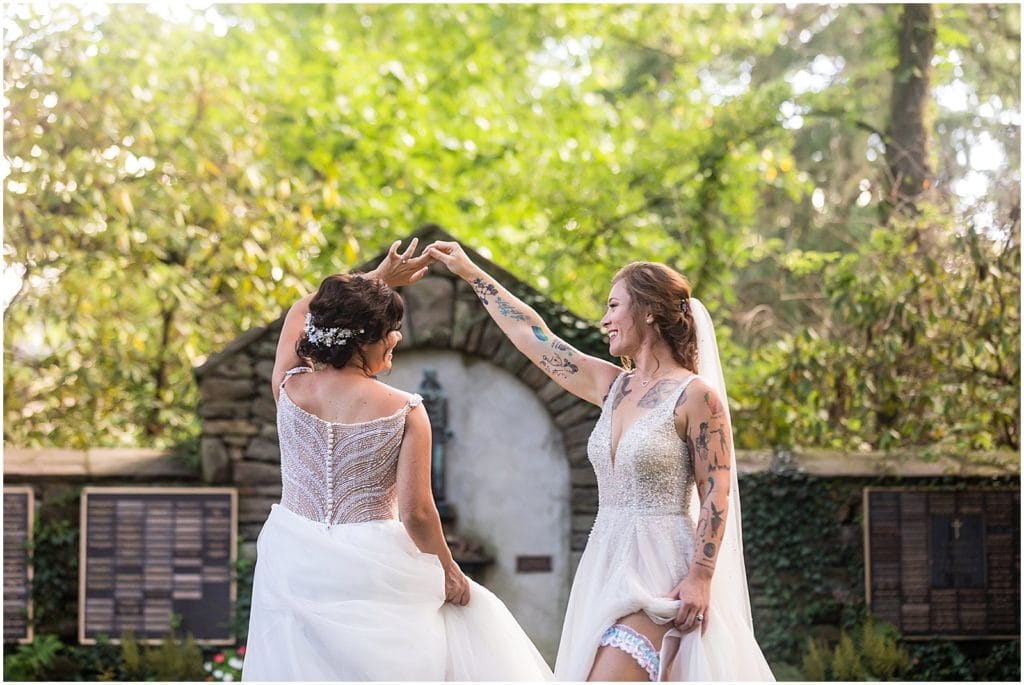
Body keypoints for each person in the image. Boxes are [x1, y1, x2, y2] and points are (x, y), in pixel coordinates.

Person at [426, 240, 774, 681]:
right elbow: (533, 337)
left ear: (648, 310)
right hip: (604, 561)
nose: (605, 320)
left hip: (662, 567)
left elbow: (717, 491)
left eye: (613, 306)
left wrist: (701, 576)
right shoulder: (611, 387)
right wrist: (472, 274)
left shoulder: (695, 396)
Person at [241, 239, 554, 681]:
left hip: (294, 554)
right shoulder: (405, 410)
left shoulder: (288, 389)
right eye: (390, 329)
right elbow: (417, 513)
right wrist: (448, 570)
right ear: (364, 339)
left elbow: (301, 310)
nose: (397, 338)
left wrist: (375, 282)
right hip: (374, 565)